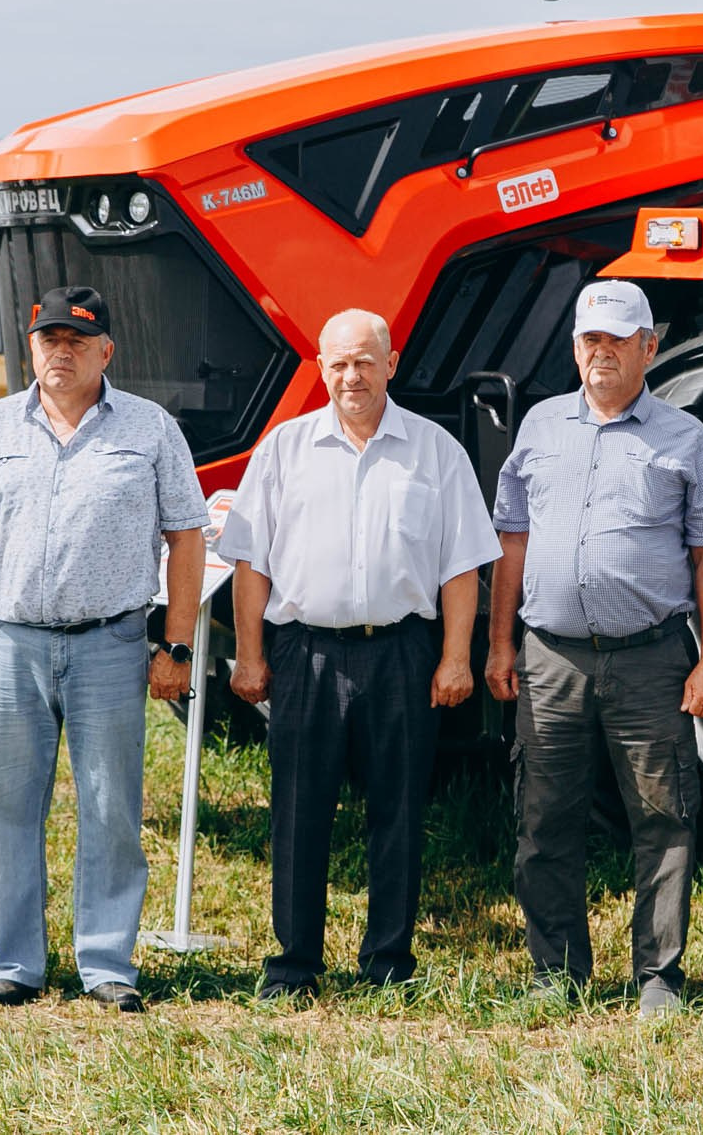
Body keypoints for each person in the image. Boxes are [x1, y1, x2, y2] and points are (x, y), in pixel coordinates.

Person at [0, 286, 209, 1013]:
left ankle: (107, 962)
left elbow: (187, 537)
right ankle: (15, 962)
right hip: (13, 643)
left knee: (112, 807)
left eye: (78, 341)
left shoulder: (150, 428)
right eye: (49, 339)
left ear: (106, 351)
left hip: (111, 643)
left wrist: (177, 643)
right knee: (5, 808)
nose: (62, 352)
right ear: (31, 347)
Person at [222, 309, 500, 998]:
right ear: (321, 368)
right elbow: (251, 564)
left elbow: (462, 566)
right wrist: (250, 656)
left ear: (391, 364)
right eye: (340, 363)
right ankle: (295, 965)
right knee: (298, 810)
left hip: (402, 653)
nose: (352, 376)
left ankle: (388, 962)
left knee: (398, 810)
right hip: (305, 653)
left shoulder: (436, 452)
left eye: (365, 362)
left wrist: (455, 657)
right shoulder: (284, 450)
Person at [486, 280, 703, 1020]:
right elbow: (511, 541)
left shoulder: (684, 437)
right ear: (575, 348)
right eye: (590, 339)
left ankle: (658, 976)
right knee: (544, 819)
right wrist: (499, 643)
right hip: (550, 658)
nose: (602, 352)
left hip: (649, 658)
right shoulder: (540, 426)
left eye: (618, 340)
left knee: (664, 819)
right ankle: (556, 970)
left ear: (649, 347)